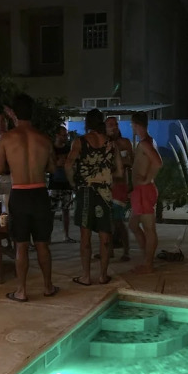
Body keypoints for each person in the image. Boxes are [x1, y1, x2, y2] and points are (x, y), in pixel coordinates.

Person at [0, 94, 58, 302]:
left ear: (14, 113)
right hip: (40, 193)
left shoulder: (6, 138)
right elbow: (52, 168)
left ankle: (21, 291)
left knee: (21, 245)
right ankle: (48, 287)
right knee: (42, 244)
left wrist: (15, 166)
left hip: (20, 193)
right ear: (33, 112)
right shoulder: (44, 138)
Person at [65, 109, 123, 286]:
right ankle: (103, 275)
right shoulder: (112, 144)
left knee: (85, 236)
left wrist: (74, 183)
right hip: (105, 193)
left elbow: (68, 166)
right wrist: (105, 175)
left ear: (87, 123)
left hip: (85, 192)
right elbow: (120, 172)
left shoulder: (80, 142)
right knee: (105, 237)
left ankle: (86, 276)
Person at [128, 112, 163, 274]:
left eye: (132, 124)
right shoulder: (147, 141)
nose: (131, 127)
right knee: (133, 225)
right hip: (139, 191)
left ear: (136, 124)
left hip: (144, 190)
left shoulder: (145, 144)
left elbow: (158, 163)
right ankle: (147, 258)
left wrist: (147, 179)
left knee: (149, 228)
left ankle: (148, 264)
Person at [106, 116, 133, 261]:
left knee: (118, 220)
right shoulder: (104, 143)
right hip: (107, 185)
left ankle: (126, 251)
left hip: (120, 185)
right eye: (110, 124)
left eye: (115, 124)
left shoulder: (124, 142)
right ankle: (109, 250)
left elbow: (132, 161)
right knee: (107, 221)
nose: (114, 127)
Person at [49, 125, 75, 243]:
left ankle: (66, 235)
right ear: (57, 135)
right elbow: (49, 165)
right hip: (54, 183)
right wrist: (57, 164)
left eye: (66, 135)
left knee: (66, 210)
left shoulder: (68, 149)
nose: (65, 137)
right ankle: (48, 236)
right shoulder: (51, 149)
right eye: (63, 135)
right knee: (51, 211)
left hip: (66, 183)